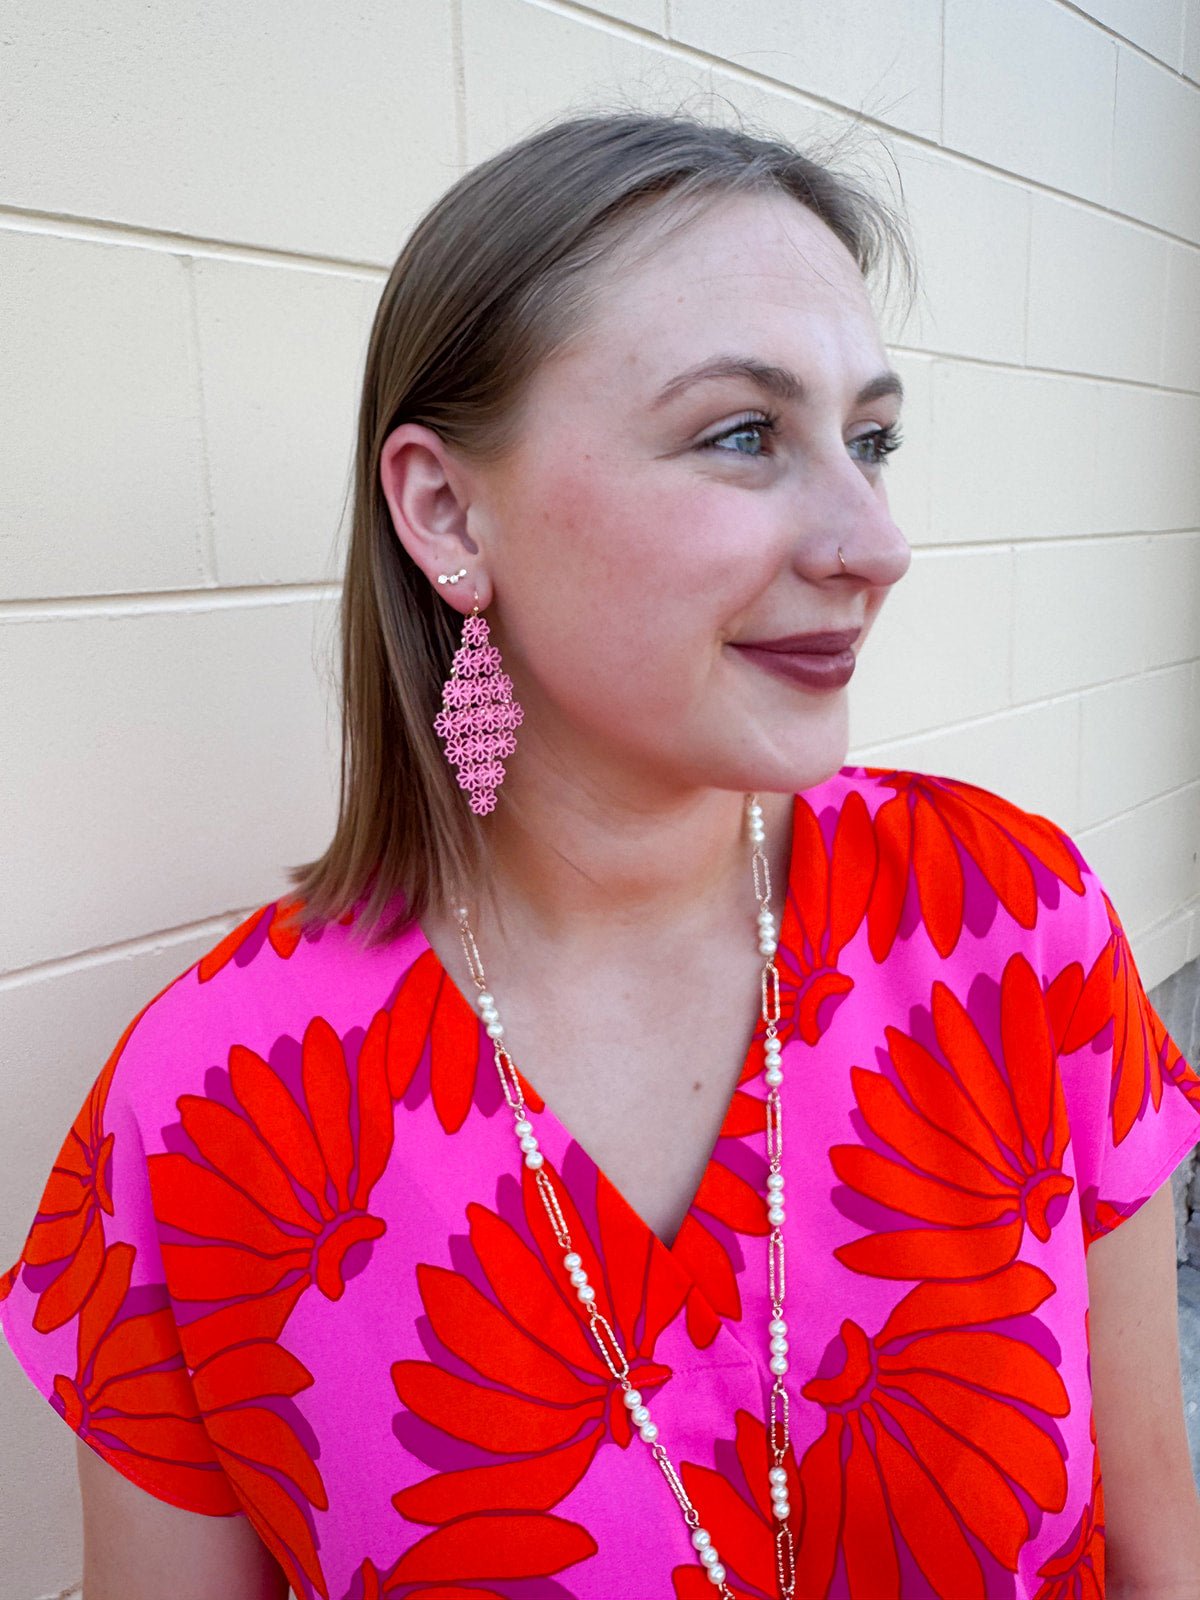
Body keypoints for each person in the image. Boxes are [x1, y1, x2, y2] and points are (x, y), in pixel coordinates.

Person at [2, 109, 1199, 1600]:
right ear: (448, 513)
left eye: (871, 439)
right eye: (744, 434)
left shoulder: (1009, 929)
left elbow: (1156, 1542)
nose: (875, 540)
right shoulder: (209, 1112)